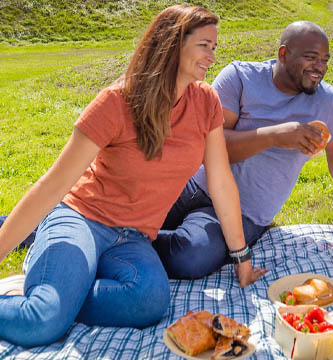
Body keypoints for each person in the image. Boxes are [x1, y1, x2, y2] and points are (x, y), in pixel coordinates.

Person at [0, 5, 263, 347]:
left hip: (134, 239)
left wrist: (241, 258)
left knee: (151, 301)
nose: (212, 56)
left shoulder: (206, 103)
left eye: (214, 47)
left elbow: (221, 183)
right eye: (204, 45)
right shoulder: (117, 101)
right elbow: (52, 186)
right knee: (41, 322)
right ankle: (53, 297)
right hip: (82, 219)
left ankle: (60, 289)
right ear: (173, 44)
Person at [152, 20, 333, 280]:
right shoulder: (240, 77)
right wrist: (274, 136)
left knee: (189, 257)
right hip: (195, 185)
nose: (320, 68)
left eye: (325, 60)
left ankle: (130, 247)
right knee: (129, 212)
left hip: (245, 212)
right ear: (283, 53)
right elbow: (209, 149)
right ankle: (125, 239)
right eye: (311, 58)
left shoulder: (331, 105)